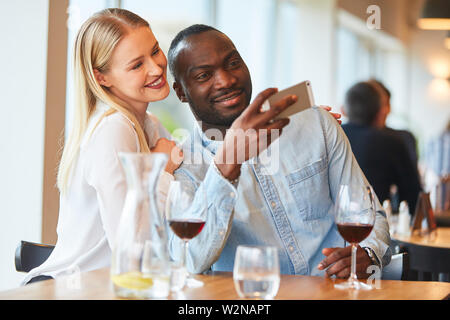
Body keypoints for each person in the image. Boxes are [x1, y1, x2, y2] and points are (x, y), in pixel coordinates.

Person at [167, 24, 391, 278]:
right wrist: (227, 164)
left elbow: (369, 213)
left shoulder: (314, 122)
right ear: (181, 92)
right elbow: (189, 260)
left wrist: (368, 252)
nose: (226, 80)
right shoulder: (184, 169)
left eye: (232, 63)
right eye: (204, 76)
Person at [22, 9, 183, 285]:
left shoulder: (148, 123)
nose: (157, 68)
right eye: (136, 65)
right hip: (72, 289)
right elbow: (130, 245)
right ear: (102, 78)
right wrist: (162, 170)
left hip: (113, 285)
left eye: (155, 51)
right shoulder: (113, 129)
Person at [341, 81, 422, 215]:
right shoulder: (392, 142)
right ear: (380, 112)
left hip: (335, 223)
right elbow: (413, 198)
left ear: (344, 109)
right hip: (374, 223)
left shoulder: (333, 136)